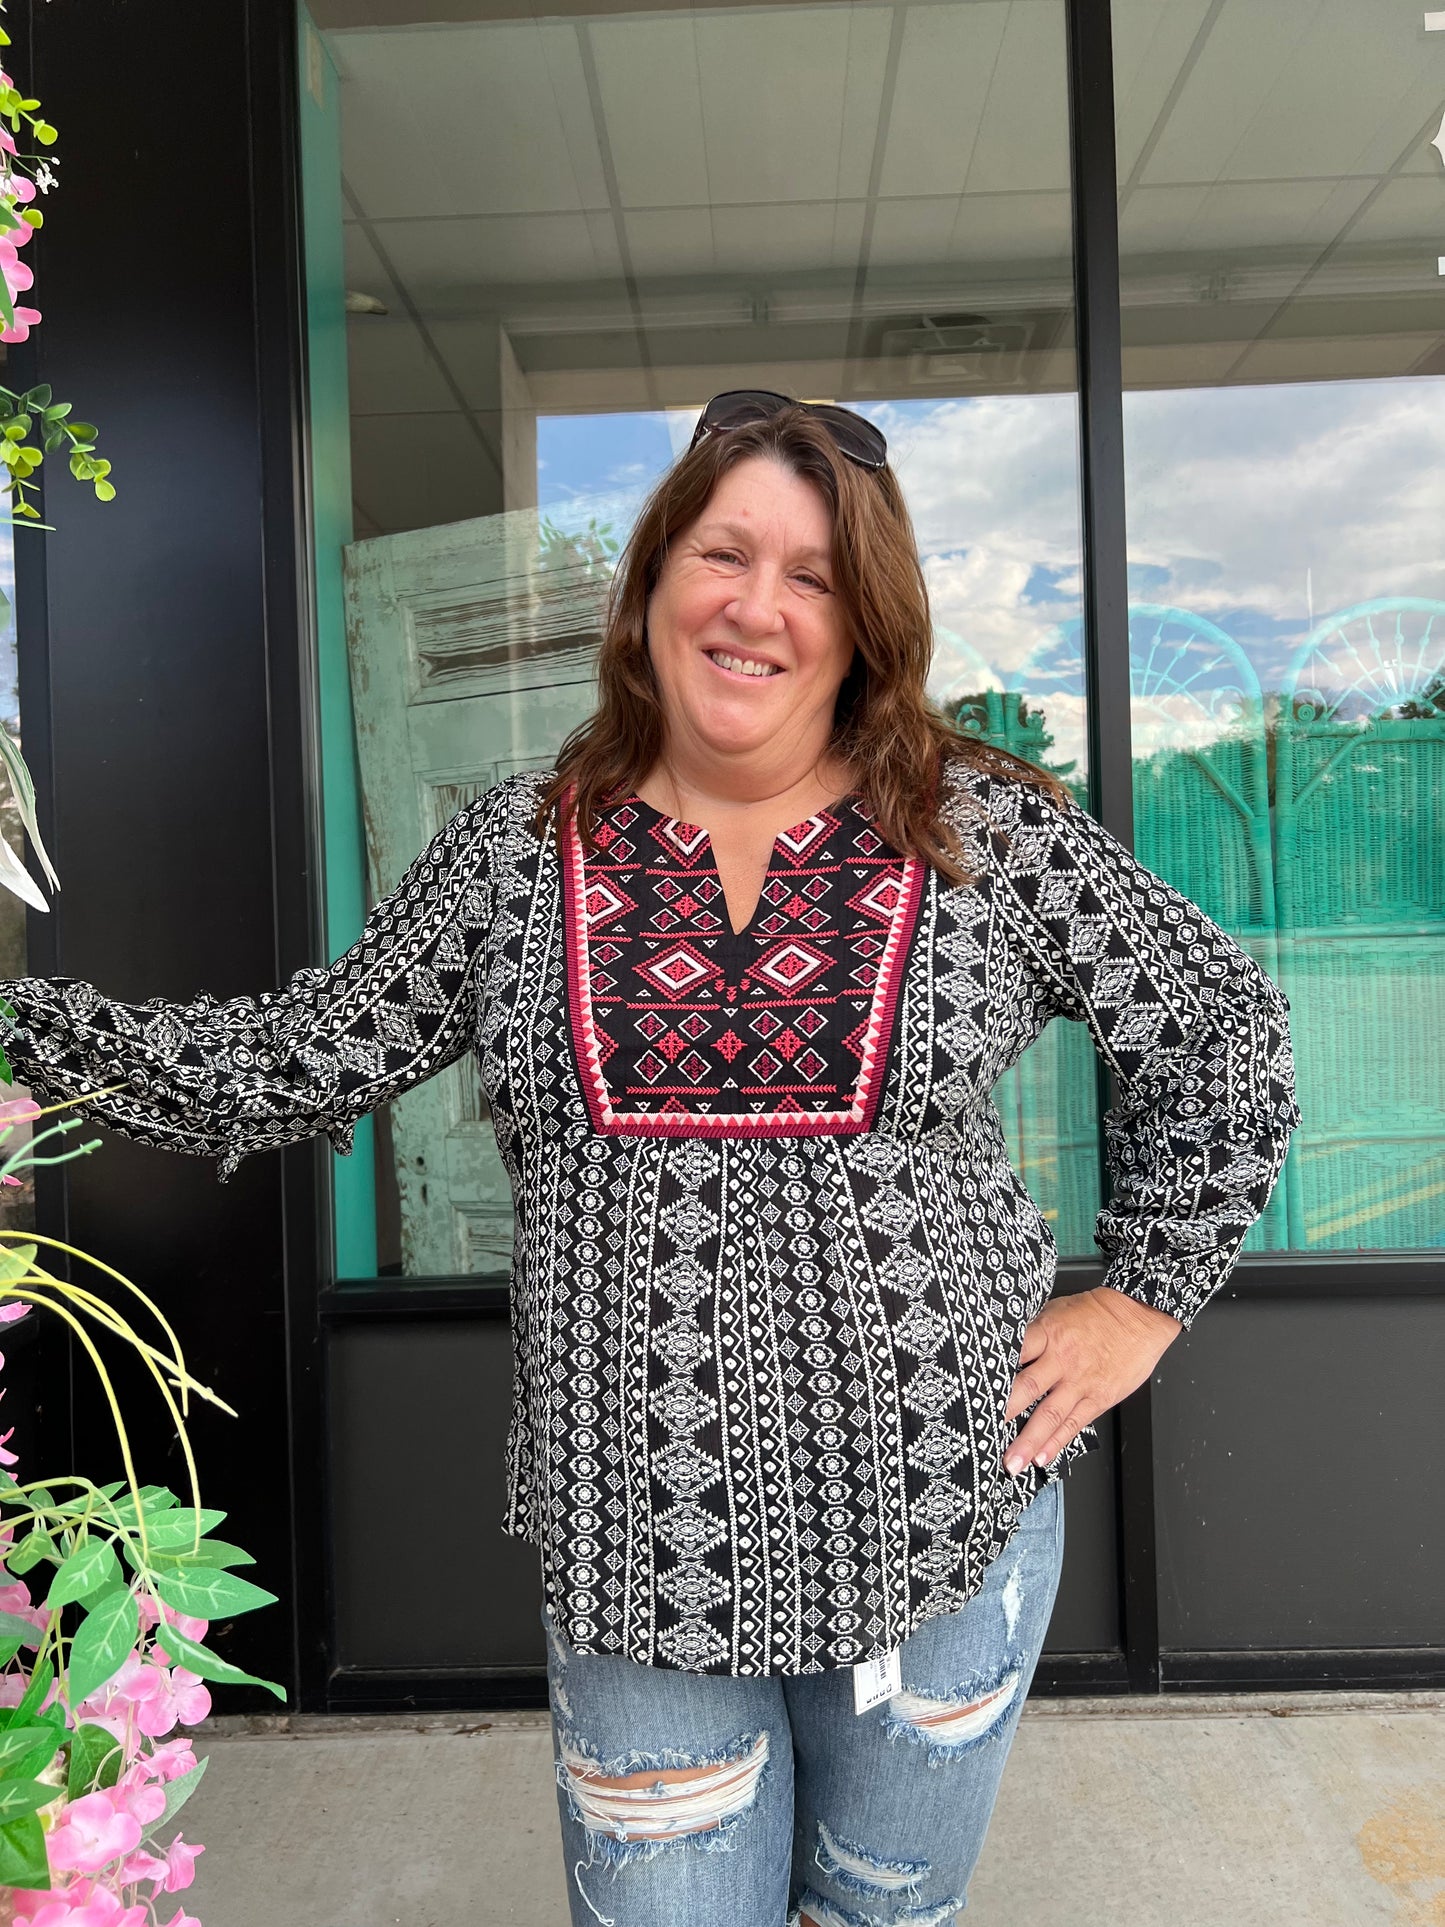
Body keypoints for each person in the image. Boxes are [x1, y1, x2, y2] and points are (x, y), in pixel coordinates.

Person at [0, 391, 1301, 1927]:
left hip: (945, 1533)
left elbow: (1222, 1031)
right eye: (723, 552)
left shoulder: (981, 841)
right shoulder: (510, 854)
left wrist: (1139, 1302)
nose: (757, 605)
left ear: (865, 620)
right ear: (652, 585)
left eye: (811, 576)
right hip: (641, 1568)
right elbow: (297, 1059)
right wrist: (27, 1033)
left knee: (882, 1916)